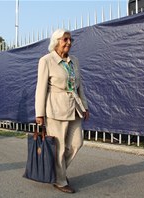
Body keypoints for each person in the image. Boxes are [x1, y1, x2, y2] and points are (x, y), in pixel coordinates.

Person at [35, 28, 89, 193]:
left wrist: (85, 106)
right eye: (65, 39)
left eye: (70, 39)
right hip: (56, 109)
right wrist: (39, 114)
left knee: (77, 143)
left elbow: (80, 86)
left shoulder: (74, 61)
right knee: (59, 147)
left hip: (75, 107)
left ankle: (58, 172)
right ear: (56, 41)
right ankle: (60, 180)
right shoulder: (46, 60)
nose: (69, 43)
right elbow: (41, 88)